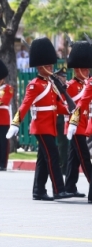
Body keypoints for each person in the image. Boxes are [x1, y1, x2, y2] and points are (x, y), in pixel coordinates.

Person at [6, 37, 73, 201]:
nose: (51, 68)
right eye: (48, 65)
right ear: (40, 66)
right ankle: (59, 189)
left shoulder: (51, 83)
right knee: (53, 156)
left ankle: (39, 190)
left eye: (51, 65)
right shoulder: (34, 85)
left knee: (43, 160)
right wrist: (15, 122)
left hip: (49, 126)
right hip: (40, 126)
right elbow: (25, 105)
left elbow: (57, 105)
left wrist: (71, 111)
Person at [65, 41, 92, 202]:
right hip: (78, 126)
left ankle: (70, 185)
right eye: (84, 69)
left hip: (85, 126)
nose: (87, 71)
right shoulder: (70, 86)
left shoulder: (87, 84)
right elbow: (79, 106)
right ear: (77, 69)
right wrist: (73, 123)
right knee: (83, 159)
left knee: (74, 158)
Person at [54, 67, 69, 175]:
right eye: (61, 77)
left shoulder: (66, 87)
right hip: (54, 116)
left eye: (64, 77)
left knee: (63, 144)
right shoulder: (54, 87)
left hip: (62, 117)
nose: (64, 79)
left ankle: (63, 167)